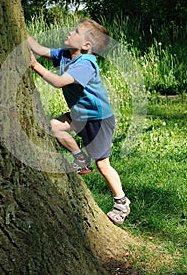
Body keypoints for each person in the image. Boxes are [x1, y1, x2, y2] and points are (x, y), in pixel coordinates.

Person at [28, 18, 130, 225]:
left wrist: (34, 66)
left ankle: (122, 202)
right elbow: (39, 49)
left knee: (102, 164)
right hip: (79, 114)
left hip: (97, 119)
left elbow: (58, 82)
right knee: (54, 126)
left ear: (86, 45)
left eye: (75, 32)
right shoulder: (66, 54)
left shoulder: (85, 64)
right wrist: (20, 31)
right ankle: (80, 159)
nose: (69, 32)